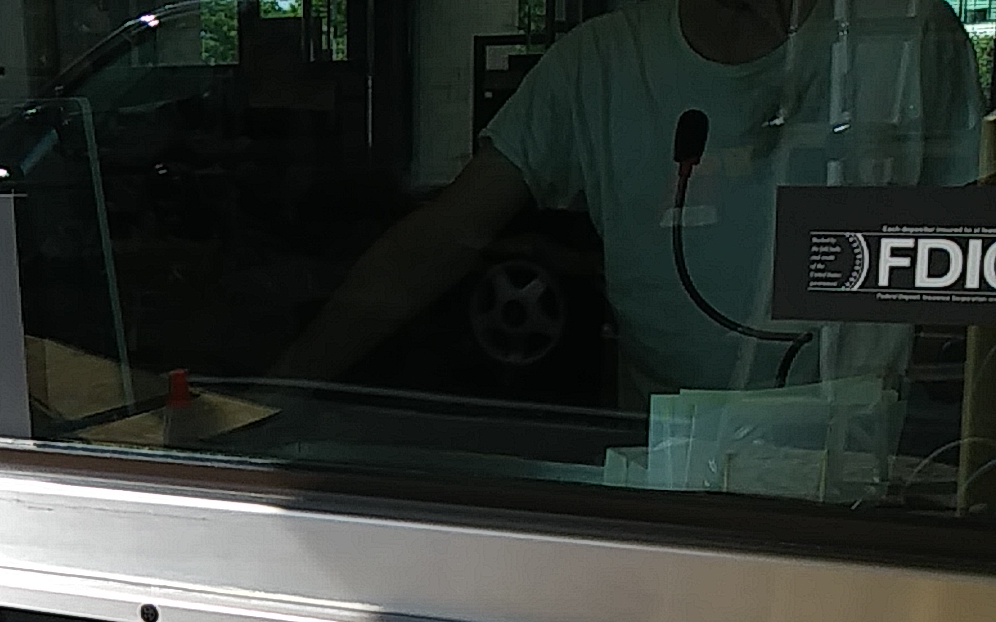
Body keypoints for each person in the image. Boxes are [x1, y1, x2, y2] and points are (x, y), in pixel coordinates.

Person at [275, 0, 984, 405]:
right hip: (666, 485)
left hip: (862, 478)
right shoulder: (600, 64)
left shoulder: (907, 35)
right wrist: (277, 388)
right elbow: (434, 244)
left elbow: (962, 267)